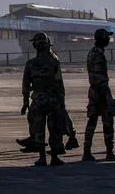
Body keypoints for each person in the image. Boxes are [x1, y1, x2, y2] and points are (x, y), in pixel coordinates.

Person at [22, 32, 66, 166]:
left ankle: (42, 158)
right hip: (53, 100)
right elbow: (59, 82)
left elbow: (25, 84)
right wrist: (62, 101)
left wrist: (25, 103)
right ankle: (54, 157)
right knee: (54, 129)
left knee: (39, 129)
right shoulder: (54, 61)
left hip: (38, 100)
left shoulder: (31, 64)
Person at [82, 28, 115, 161]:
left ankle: (86, 151)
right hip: (101, 90)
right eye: (107, 38)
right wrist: (105, 96)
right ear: (102, 39)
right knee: (108, 121)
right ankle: (109, 152)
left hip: (93, 90)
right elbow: (99, 76)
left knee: (92, 121)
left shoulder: (92, 52)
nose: (109, 40)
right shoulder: (98, 55)